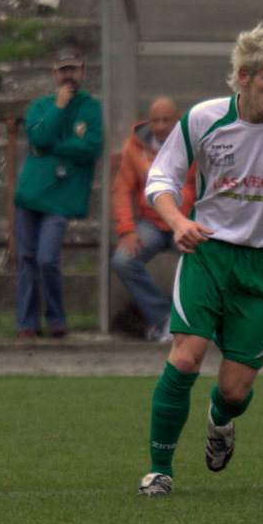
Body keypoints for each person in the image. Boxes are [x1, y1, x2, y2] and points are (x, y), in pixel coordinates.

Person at [137, 23, 263, 496]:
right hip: (210, 253)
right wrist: (177, 221)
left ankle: (221, 420)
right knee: (185, 358)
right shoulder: (204, 118)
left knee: (233, 391)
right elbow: (161, 180)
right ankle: (159, 471)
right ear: (244, 76)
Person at [15, 46, 103, 339]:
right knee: (27, 260)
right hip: (30, 194)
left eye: (73, 70)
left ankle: (56, 318)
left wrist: (53, 147)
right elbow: (38, 137)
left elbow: (91, 148)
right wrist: (58, 108)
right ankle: (27, 324)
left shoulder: (91, 108)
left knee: (46, 259)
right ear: (55, 74)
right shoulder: (41, 106)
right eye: (63, 70)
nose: (69, 76)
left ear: (83, 72)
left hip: (61, 199)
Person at [110, 97, 195, 342]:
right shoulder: (134, 147)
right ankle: (163, 319)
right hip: (152, 223)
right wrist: (126, 230)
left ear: (177, 120)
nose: (160, 126)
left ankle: (194, 322)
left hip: (186, 221)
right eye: (155, 120)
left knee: (203, 262)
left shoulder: (193, 144)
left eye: (166, 120)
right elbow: (122, 189)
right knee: (123, 260)